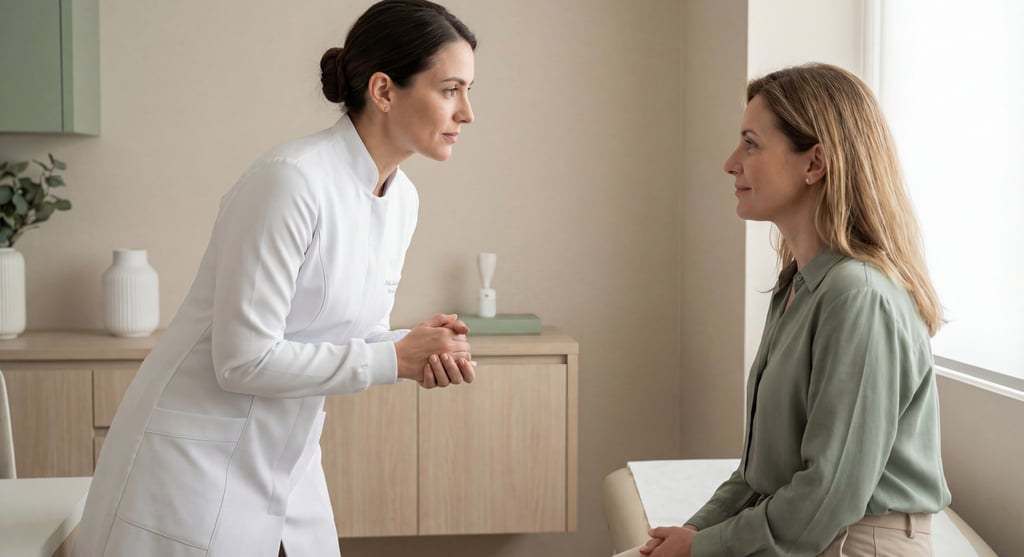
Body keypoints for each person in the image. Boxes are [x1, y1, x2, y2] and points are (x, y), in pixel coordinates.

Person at [73, 2, 478, 556]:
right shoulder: (289, 182)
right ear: (384, 91)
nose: (468, 113)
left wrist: (415, 345)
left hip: (289, 463)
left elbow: (346, 335)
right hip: (190, 468)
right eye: (451, 90)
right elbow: (242, 359)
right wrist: (393, 359)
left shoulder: (401, 198)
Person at [639, 63, 951, 557]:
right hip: (812, 534)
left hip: (852, 543)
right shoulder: (798, 286)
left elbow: (830, 493)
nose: (730, 163)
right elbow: (757, 474)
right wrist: (688, 536)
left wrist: (703, 549)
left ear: (815, 164)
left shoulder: (858, 296)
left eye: (751, 144)